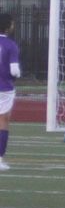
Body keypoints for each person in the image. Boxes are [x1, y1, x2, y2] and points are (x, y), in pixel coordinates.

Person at [0, 13, 20, 171]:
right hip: (4, 88)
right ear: (8, 26)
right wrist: (18, 75)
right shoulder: (10, 45)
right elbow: (14, 71)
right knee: (3, 121)